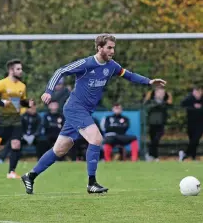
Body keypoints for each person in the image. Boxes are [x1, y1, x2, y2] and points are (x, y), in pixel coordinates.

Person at [21, 33, 166, 195]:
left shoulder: (112, 66)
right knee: (96, 138)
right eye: (109, 48)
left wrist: (149, 81)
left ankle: (30, 176)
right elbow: (60, 71)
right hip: (75, 108)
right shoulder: (86, 63)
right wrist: (48, 91)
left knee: (60, 150)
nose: (112, 51)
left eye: (113, 48)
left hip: (84, 111)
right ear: (99, 48)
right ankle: (92, 183)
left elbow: (129, 75)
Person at [0, 59, 34, 179]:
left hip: (16, 119)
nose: (21, 71)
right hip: (2, 119)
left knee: (16, 144)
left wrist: (28, 104)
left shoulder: (22, 86)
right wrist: (1, 103)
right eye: (18, 69)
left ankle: (11, 172)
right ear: (11, 70)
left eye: (21, 69)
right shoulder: (2, 83)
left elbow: (22, 101)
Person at [144, 86, 172, 161]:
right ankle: (154, 156)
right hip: (152, 123)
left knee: (156, 140)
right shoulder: (151, 101)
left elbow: (169, 106)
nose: (161, 94)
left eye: (163, 93)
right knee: (153, 140)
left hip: (161, 124)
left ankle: (151, 155)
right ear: (156, 93)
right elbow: (146, 107)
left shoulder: (165, 102)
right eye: (160, 92)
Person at [179, 85, 203, 161]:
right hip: (191, 122)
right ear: (193, 92)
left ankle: (185, 154)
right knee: (193, 140)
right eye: (196, 92)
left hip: (200, 123)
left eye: (199, 92)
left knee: (196, 139)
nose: (198, 94)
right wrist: (193, 106)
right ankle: (192, 156)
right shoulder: (189, 99)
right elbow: (182, 105)